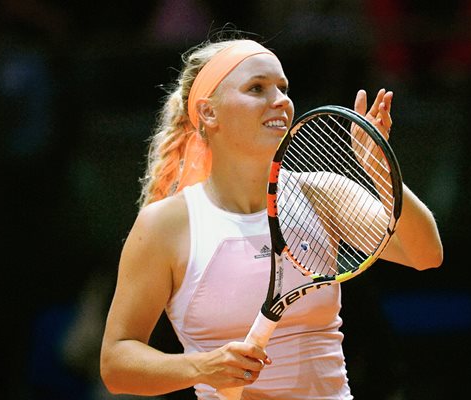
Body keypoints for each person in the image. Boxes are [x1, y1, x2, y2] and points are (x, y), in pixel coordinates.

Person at [100, 34, 443, 399]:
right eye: (257, 88)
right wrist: (201, 367)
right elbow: (117, 363)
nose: (279, 101)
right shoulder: (164, 225)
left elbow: (425, 254)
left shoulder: (323, 194)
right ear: (208, 112)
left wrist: (379, 170)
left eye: (283, 87)